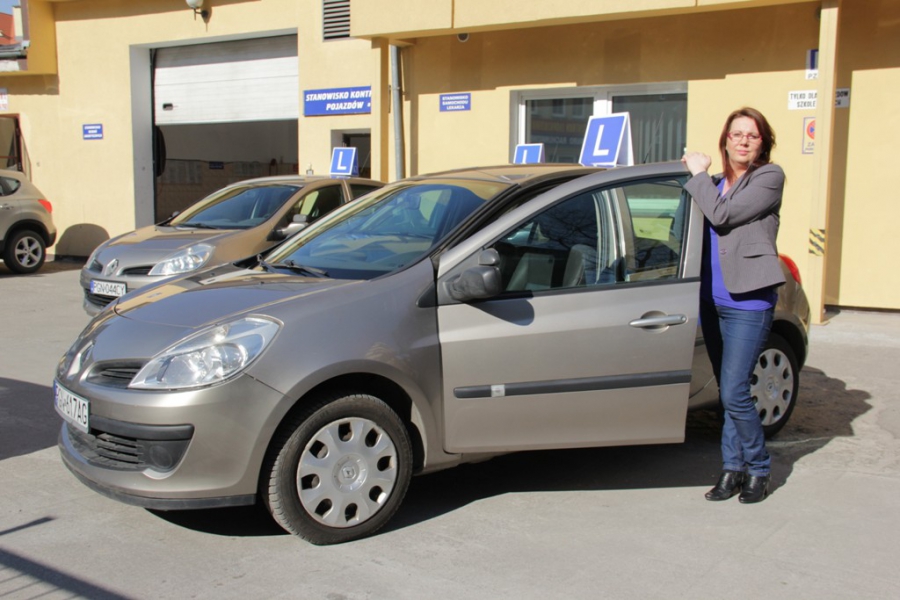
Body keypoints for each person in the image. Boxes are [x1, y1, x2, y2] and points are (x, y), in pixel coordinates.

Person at [682, 107, 785, 504]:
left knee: (736, 391)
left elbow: (722, 215)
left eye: (752, 135)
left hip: (748, 301)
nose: (743, 141)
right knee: (729, 389)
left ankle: (758, 467)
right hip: (711, 300)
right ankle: (731, 469)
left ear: (763, 143)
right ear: (725, 140)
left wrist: (697, 174)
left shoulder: (768, 178)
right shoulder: (713, 183)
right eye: (737, 134)